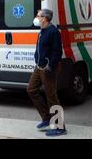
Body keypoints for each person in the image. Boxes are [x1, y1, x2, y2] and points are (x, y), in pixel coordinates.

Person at [27, 8, 67, 137]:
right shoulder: (42, 30)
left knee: (52, 97)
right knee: (31, 89)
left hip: (48, 68)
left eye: (38, 16)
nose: (36, 18)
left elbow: (57, 52)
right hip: (39, 67)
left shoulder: (53, 31)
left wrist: (50, 66)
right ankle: (47, 118)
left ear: (44, 18)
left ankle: (60, 127)